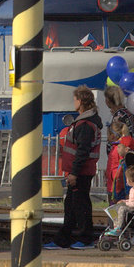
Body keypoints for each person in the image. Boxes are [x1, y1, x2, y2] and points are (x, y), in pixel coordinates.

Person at [46, 85, 102, 250]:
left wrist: (74, 173)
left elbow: (82, 151)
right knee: (72, 205)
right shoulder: (85, 122)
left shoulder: (85, 125)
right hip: (79, 171)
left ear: (81, 101)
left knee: (80, 205)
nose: (74, 102)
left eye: (75, 99)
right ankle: (65, 238)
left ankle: (85, 238)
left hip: (80, 172)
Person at [104, 161, 134, 235]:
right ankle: (115, 226)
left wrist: (126, 204)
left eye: (127, 178)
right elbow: (131, 200)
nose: (126, 180)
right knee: (115, 208)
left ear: (131, 179)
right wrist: (124, 201)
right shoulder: (133, 189)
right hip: (133, 207)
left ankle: (119, 228)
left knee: (122, 209)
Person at [103, 84, 134, 159]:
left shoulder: (119, 116)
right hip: (129, 153)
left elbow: (117, 138)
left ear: (108, 100)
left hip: (120, 157)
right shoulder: (126, 112)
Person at [105, 129, 134, 204]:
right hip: (117, 191)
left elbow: (127, 180)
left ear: (126, 149)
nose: (117, 149)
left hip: (122, 192)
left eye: (119, 147)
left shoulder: (127, 164)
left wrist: (128, 193)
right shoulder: (123, 162)